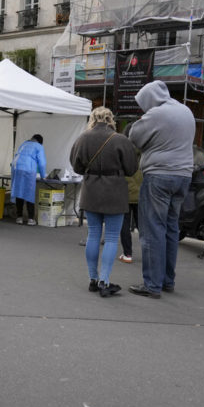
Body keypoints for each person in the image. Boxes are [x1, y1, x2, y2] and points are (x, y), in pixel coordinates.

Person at [128, 80, 195, 299]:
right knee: (170, 229)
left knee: (152, 229)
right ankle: (167, 280)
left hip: (159, 175)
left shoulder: (156, 114)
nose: (143, 109)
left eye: (143, 103)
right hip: (183, 176)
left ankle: (152, 284)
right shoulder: (186, 111)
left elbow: (133, 137)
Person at [70, 107, 138, 298]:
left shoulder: (82, 138)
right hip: (114, 192)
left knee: (93, 234)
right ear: (110, 119)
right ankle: (104, 281)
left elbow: (76, 167)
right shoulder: (120, 140)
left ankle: (92, 279)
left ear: (93, 119)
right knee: (111, 237)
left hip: (91, 191)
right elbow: (132, 168)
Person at [10, 134, 46, 225]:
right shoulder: (39, 147)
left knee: (19, 192)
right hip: (28, 170)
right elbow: (42, 163)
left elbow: (16, 157)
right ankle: (30, 219)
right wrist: (43, 176)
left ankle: (19, 218)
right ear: (40, 142)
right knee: (29, 193)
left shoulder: (24, 144)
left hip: (16, 169)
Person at [118, 168, 143, 263]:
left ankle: (127, 254)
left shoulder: (124, 156)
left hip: (125, 194)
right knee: (142, 226)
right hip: (140, 193)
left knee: (124, 224)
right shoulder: (142, 155)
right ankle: (148, 253)